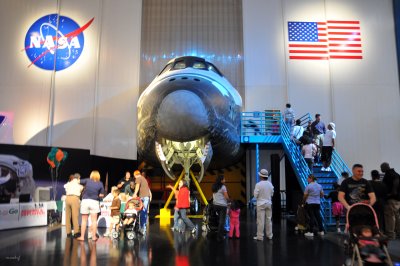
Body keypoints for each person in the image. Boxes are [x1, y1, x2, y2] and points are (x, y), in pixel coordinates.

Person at [76, 170, 105, 241]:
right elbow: (102, 194)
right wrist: (97, 194)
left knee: (84, 220)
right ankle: (94, 237)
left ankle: (82, 237)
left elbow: (77, 181)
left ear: (91, 175)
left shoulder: (87, 180)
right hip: (94, 202)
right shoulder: (100, 183)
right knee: (94, 221)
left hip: (85, 201)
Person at [380, 162, 400, 239]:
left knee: (390, 216)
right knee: (397, 216)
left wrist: (393, 192)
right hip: (397, 199)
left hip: (391, 198)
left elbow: (396, 181)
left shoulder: (390, 174)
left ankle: (390, 234)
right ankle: (398, 232)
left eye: (381, 167)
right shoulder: (396, 173)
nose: (381, 169)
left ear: (385, 167)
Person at [253, 169, 274, 241]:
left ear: (261, 176)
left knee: (260, 221)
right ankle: (269, 235)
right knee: (269, 220)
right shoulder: (270, 184)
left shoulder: (258, 184)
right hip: (268, 203)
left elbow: (255, 195)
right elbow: (272, 194)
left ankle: (260, 237)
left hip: (260, 204)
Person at [64, 173, 83, 238]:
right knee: (75, 216)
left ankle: (68, 232)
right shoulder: (78, 185)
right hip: (75, 198)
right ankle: (76, 232)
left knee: (67, 216)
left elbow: (65, 186)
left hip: (67, 198)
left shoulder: (68, 183)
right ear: (78, 178)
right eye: (79, 178)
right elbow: (81, 189)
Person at [132, 170, 151, 235]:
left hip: (143, 197)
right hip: (146, 196)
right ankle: (143, 228)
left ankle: (142, 227)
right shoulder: (143, 178)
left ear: (135, 175)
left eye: (134, 176)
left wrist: (135, 194)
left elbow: (137, 186)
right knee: (143, 212)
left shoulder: (138, 178)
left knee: (142, 212)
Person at [212, 175, 230, 242]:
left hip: (215, 205)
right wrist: (230, 202)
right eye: (224, 179)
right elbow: (226, 197)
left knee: (220, 220)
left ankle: (221, 232)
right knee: (222, 221)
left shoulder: (214, 186)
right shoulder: (223, 187)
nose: (225, 180)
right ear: (221, 180)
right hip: (222, 206)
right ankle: (220, 237)